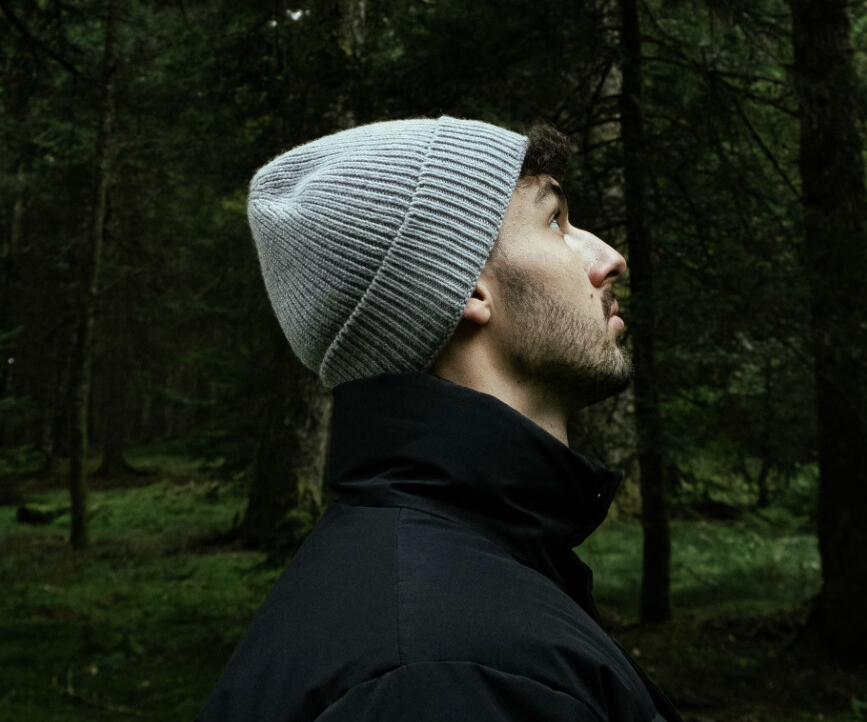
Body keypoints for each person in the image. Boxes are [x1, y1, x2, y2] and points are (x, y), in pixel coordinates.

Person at [198, 116, 682, 721]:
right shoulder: (444, 673)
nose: (610, 259)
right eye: (554, 221)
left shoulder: (455, 597)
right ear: (466, 289)